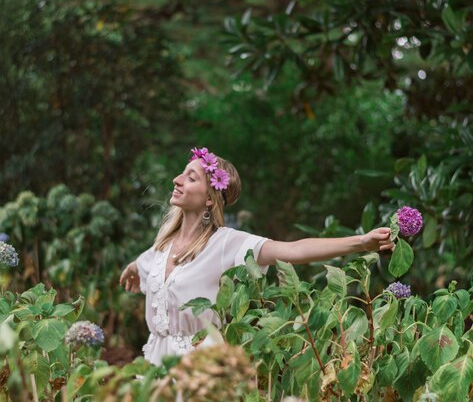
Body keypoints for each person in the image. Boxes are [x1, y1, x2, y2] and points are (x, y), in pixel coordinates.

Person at [119, 147, 394, 365]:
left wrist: (362, 242)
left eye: (191, 178)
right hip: (154, 364)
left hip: (200, 369)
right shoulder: (163, 246)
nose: (177, 181)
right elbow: (144, 264)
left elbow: (293, 250)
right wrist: (133, 268)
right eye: (182, 174)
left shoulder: (226, 244)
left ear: (209, 199)